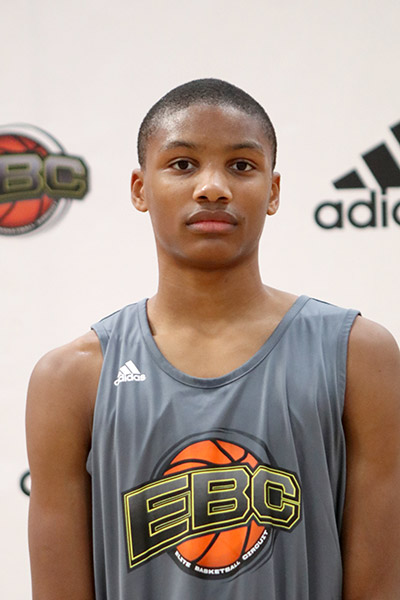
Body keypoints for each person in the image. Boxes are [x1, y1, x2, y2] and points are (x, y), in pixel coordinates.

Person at [26, 78, 400, 600]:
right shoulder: (70, 378)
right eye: (183, 164)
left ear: (273, 191)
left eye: (241, 166)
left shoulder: (360, 355)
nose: (213, 187)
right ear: (139, 188)